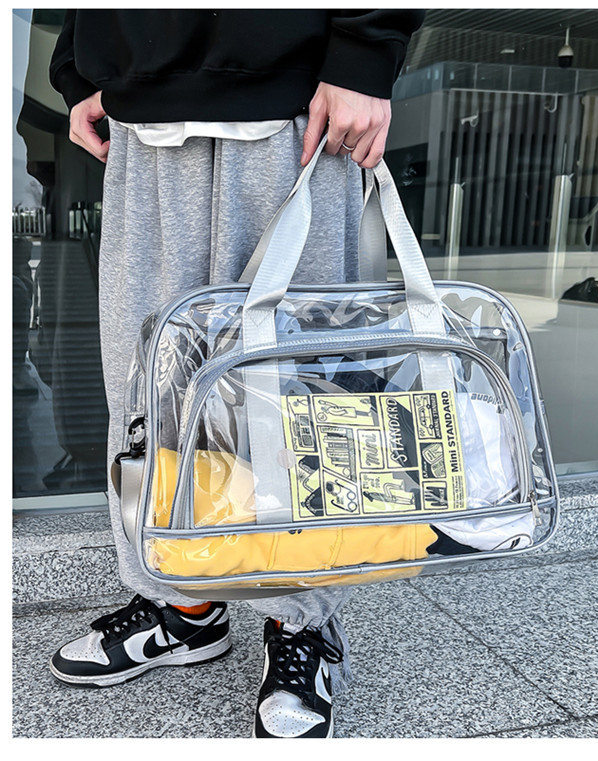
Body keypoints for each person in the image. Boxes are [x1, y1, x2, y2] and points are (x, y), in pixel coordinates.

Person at [47, 9, 424, 739]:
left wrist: (363, 52)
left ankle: (302, 623)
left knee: (300, 394)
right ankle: (184, 605)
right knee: (153, 392)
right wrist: (81, 63)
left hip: (295, 109)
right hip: (142, 112)